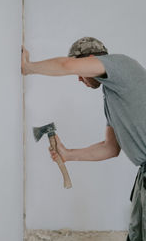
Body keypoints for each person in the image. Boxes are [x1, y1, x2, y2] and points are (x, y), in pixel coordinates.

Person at [21, 37, 146, 241]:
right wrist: (69, 155)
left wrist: (27, 67)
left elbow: (66, 65)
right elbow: (110, 148)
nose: (79, 78)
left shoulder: (119, 64)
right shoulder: (112, 93)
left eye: (81, 72)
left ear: (89, 60)